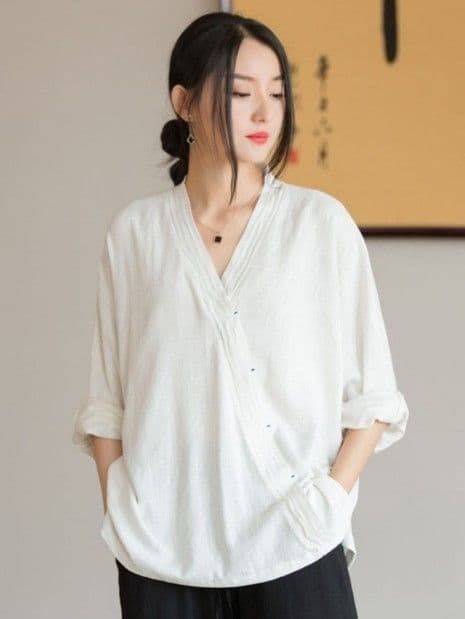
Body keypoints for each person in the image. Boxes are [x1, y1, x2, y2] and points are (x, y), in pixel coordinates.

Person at [72, 10, 410, 619]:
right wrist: (124, 509)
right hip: (160, 556)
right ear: (184, 102)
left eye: (276, 93)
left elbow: (374, 397)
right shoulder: (136, 235)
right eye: (240, 92)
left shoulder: (319, 226)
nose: (264, 113)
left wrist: (328, 502)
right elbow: (108, 403)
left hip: (294, 542)